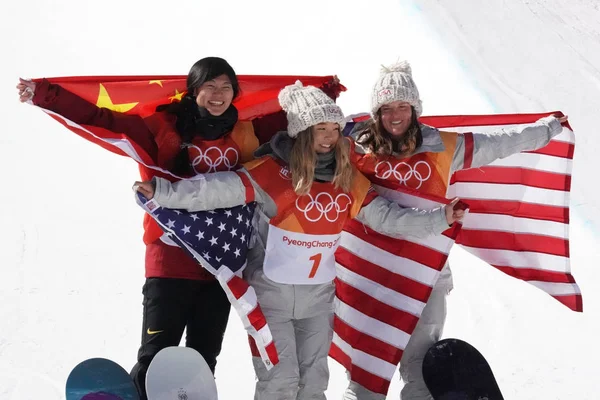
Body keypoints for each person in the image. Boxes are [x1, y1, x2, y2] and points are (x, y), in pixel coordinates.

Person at [133, 81, 465, 400]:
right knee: (280, 380)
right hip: (271, 298)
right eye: (321, 128)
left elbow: (386, 217)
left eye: (335, 129)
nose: (329, 137)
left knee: (313, 383)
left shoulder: (345, 177)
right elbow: (214, 190)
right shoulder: (269, 171)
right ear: (302, 131)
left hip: (317, 300)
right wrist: (163, 192)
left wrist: (440, 219)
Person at [16, 57, 298, 400]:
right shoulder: (160, 129)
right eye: (209, 86)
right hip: (170, 263)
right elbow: (103, 118)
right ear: (193, 91)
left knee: (202, 362)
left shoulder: (246, 130)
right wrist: (48, 95)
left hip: (220, 267)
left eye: (225, 87)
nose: (217, 94)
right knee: (155, 357)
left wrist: (322, 91)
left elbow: (295, 119)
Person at [341, 61, 568, 400]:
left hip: (425, 278)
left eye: (403, 105)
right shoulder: (357, 152)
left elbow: (497, 143)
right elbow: (380, 215)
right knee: (365, 382)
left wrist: (545, 130)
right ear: (377, 112)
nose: (395, 115)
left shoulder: (442, 148)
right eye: (387, 108)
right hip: (372, 278)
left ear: (415, 108)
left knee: (420, 372)